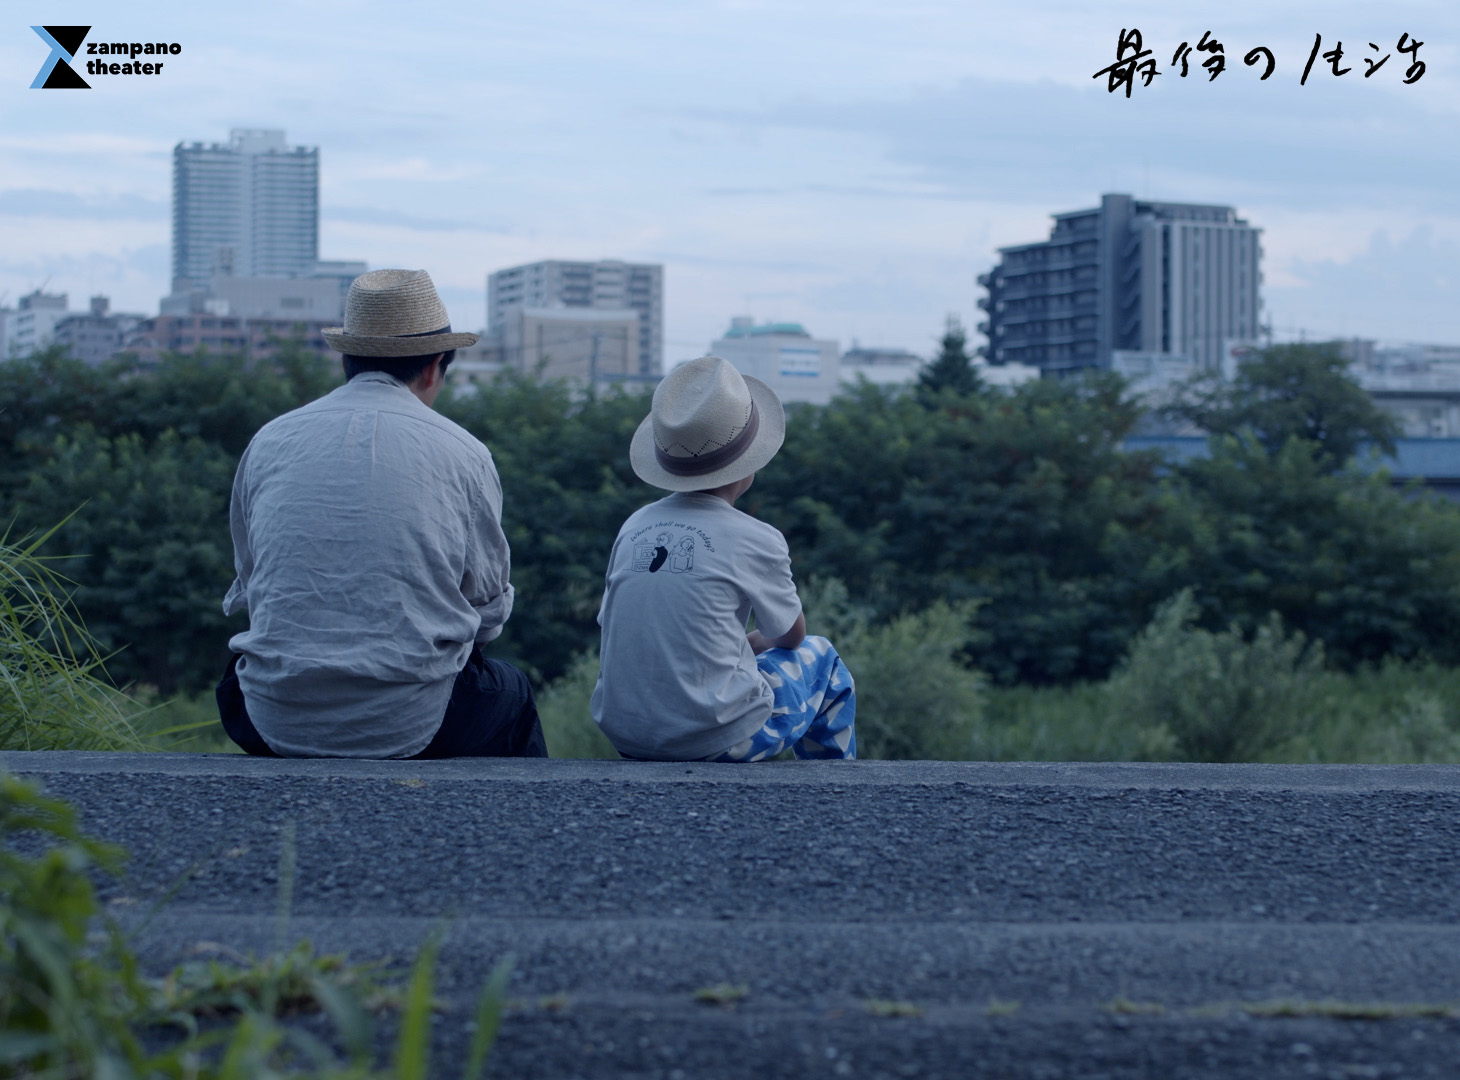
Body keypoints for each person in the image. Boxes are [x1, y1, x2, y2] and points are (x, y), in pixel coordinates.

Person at [216, 268, 546, 759]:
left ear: (346, 359)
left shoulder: (271, 440)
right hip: (417, 722)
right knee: (510, 691)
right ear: (436, 365)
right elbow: (487, 608)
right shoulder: (464, 452)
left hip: (269, 714)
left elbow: (252, 579)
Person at [591, 355, 856, 762]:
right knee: (823, 659)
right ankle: (836, 787)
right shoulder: (757, 538)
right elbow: (791, 637)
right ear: (748, 464)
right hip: (715, 740)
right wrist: (745, 646)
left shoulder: (635, 525)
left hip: (628, 734)